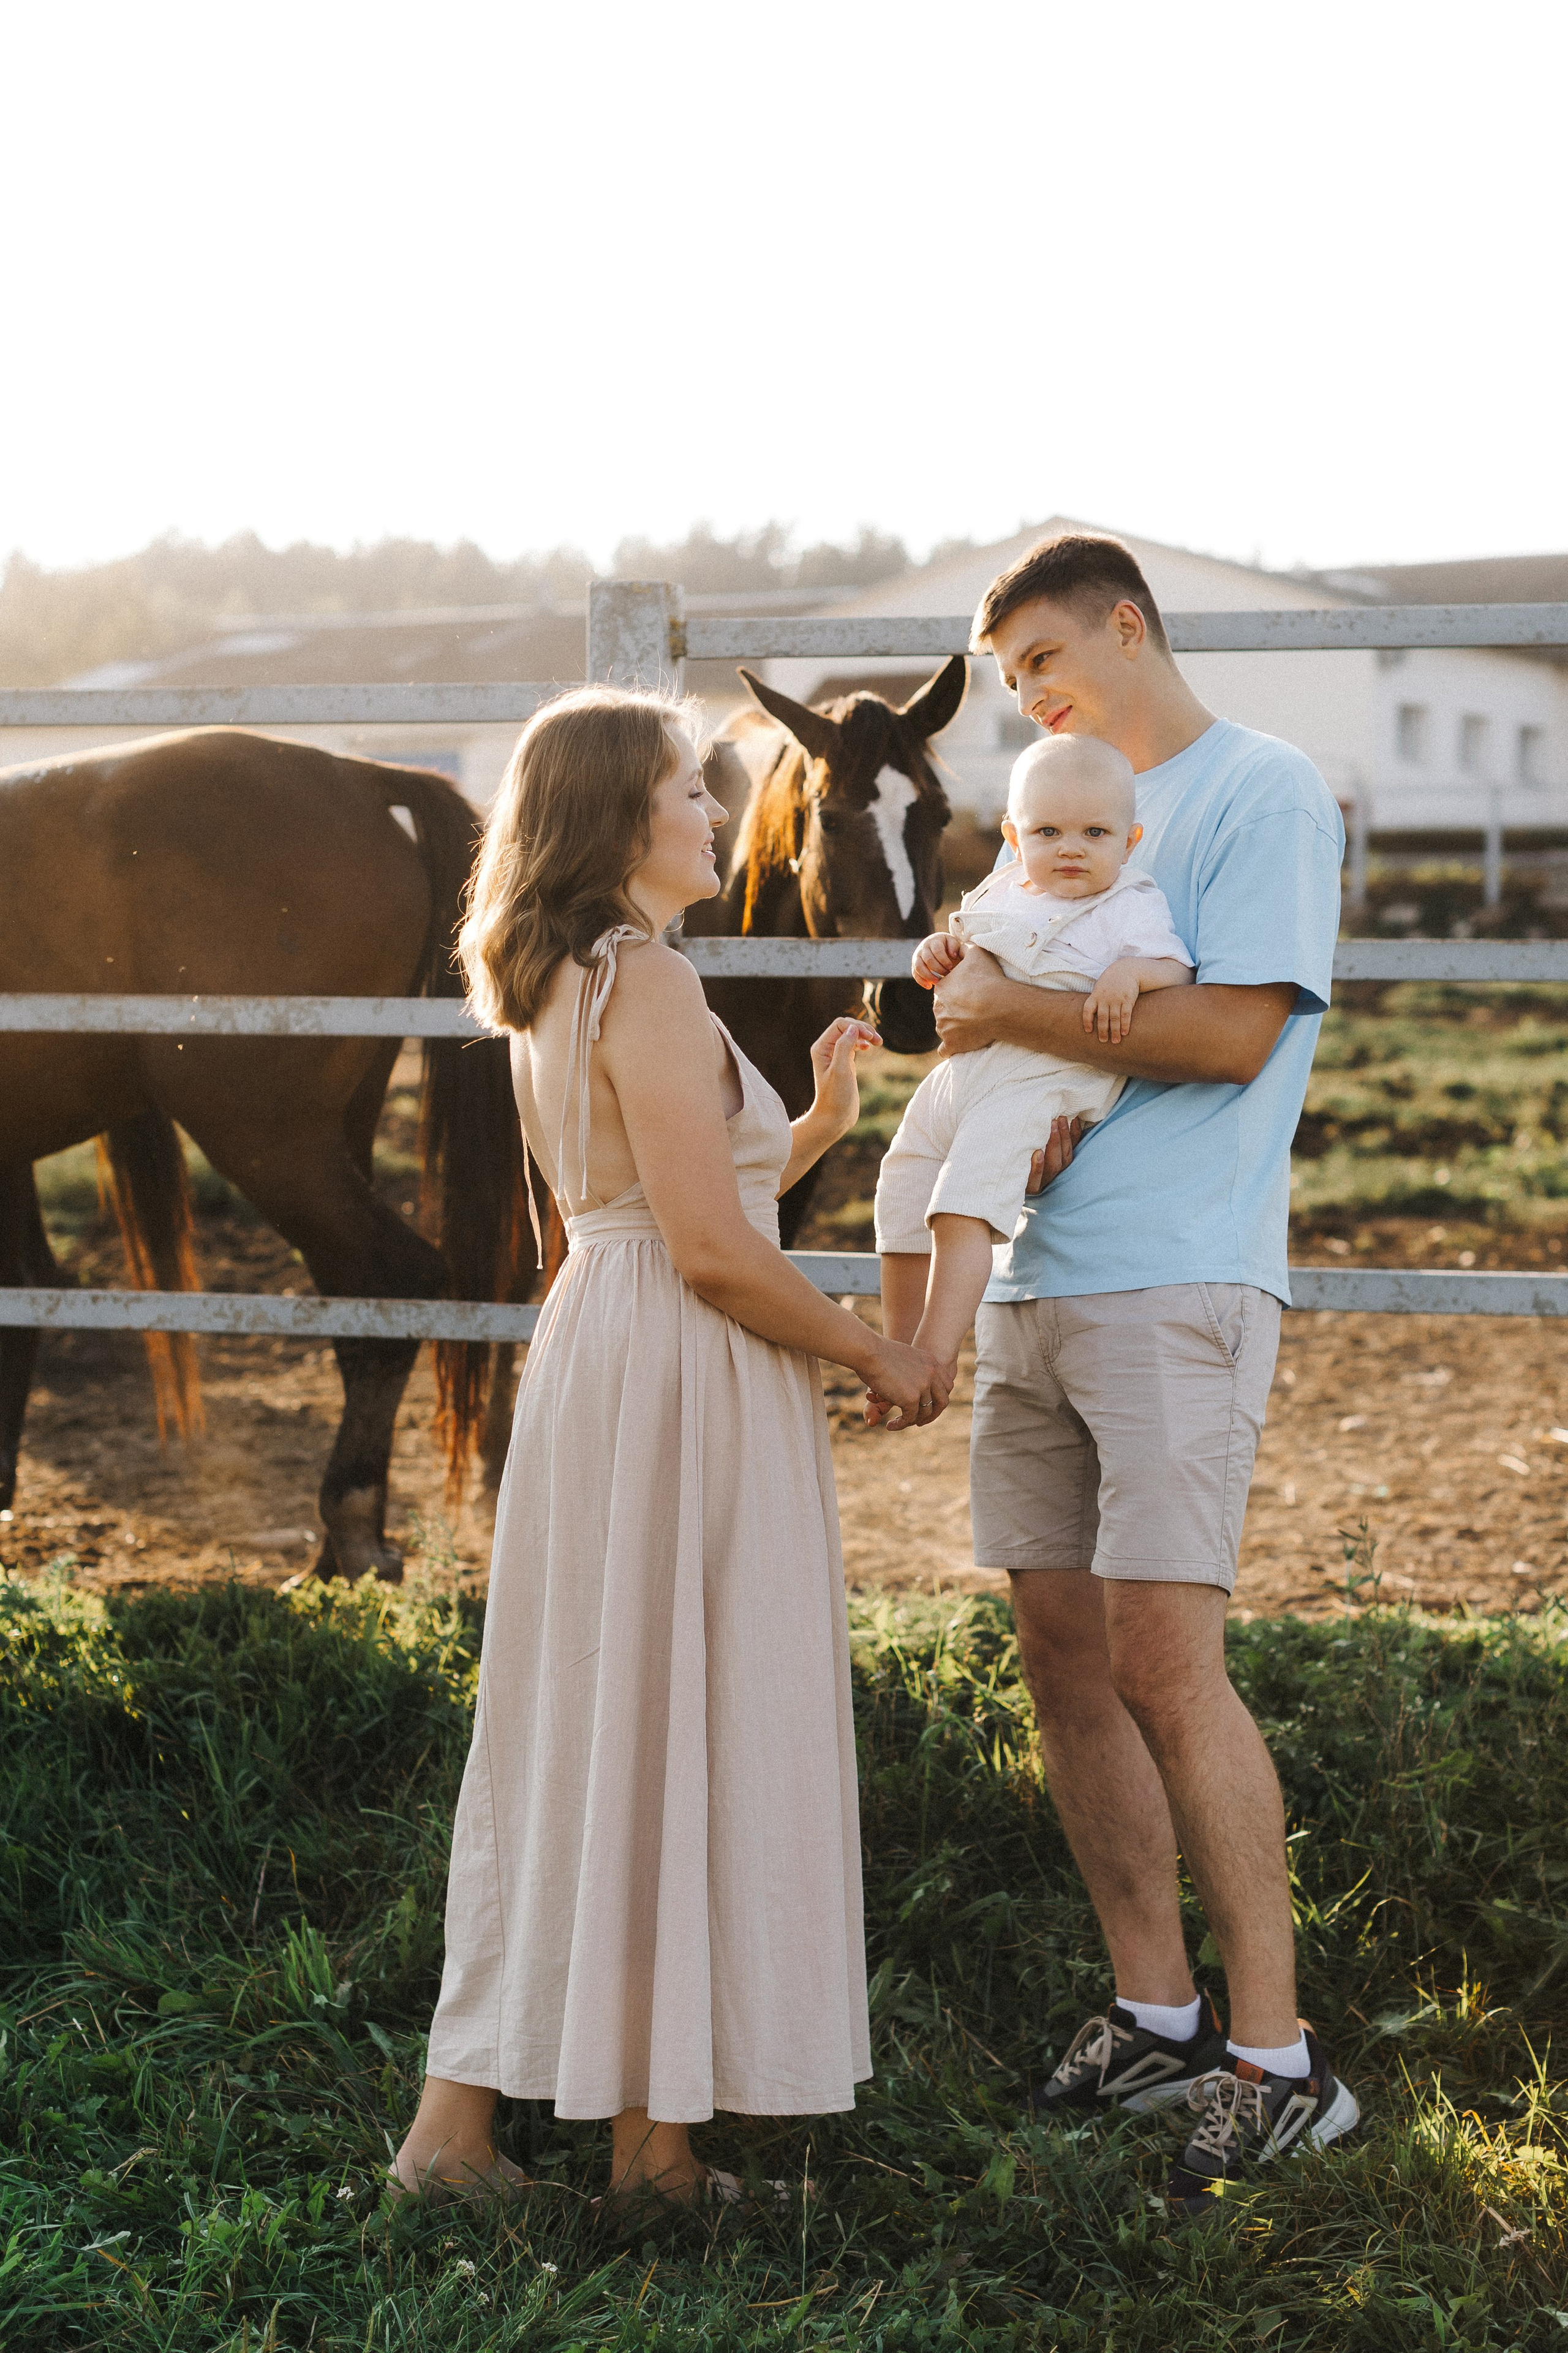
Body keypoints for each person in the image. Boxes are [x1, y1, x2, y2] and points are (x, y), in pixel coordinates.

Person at [391, 685, 947, 2220]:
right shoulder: (645, 977)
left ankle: (593, 2145)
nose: (717, 813)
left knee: (609, 1722)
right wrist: (875, 1349)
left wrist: (811, 1122)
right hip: (679, 1357)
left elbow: (645, 1198)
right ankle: (609, 2150)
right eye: (688, 792)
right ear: (612, 818)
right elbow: (704, 1247)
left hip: (610, 1344)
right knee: (672, 1714)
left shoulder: (566, 973)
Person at [918, 532, 1359, 2224]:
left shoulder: (1259, 790)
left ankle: (1279, 2060)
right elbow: (986, 1010)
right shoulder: (1059, 809)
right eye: (1010, 677)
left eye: (1040, 657)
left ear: (1123, 624)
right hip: (1036, 1273)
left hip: (1178, 1273)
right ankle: (1156, 2015)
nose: (1027, 695)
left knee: (1169, 1663)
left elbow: (1235, 1034)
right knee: (1061, 1656)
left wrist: (1005, 1014)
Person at [873, 731, 1192, 1398]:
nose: (1071, 848)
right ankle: (896, 1347)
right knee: (903, 1179)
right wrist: (936, 951)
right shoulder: (1003, 890)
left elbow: (1176, 969)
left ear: (1129, 842)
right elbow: (966, 951)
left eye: (1095, 832)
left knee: (963, 1203)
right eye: (1048, 832)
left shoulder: (1129, 902)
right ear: (1014, 839)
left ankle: (936, 1353)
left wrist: (1131, 974)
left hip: (1045, 1075)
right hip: (967, 1071)